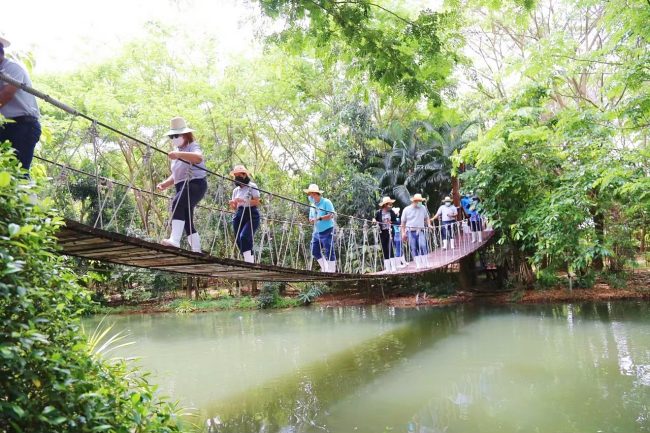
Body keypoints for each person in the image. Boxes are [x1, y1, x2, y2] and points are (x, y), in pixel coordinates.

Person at [157, 117, 208, 252]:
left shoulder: (192, 146)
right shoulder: (177, 151)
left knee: (177, 203)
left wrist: (179, 154)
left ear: (185, 135)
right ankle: (196, 250)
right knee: (187, 221)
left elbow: (198, 158)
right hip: (182, 186)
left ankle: (175, 240)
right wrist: (165, 184)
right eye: (171, 136)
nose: (174, 139)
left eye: (176, 136)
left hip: (195, 184)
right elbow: (177, 174)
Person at [0, 36, 41, 174]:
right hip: (5, 125)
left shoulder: (11, 68)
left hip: (22, 125)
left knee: (18, 172)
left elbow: (5, 96)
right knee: (5, 172)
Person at [228, 165, 261, 263]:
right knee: (238, 239)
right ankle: (248, 259)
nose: (237, 178)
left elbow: (257, 202)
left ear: (244, 175)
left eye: (239, 175)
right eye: (235, 176)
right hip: (239, 214)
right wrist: (233, 203)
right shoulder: (235, 191)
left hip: (251, 214)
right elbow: (234, 207)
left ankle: (249, 262)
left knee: (244, 236)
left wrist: (243, 200)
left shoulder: (252, 186)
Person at [304, 184, 336, 273]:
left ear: (315, 194)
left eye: (310, 194)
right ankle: (325, 268)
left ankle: (332, 271)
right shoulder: (312, 205)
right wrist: (311, 220)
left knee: (329, 250)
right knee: (314, 250)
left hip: (327, 230)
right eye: (309, 195)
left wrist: (319, 218)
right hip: (317, 231)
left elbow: (331, 215)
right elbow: (311, 218)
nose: (309, 197)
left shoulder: (326, 202)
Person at [400, 193, 432, 269]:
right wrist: (403, 233)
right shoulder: (406, 210)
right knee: (414, 248)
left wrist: (429, 224)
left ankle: (426, 263)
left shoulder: (423, 208)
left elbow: (427, 217)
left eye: (421, 201)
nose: (420, 202)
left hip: (420, 230)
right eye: (419, 201)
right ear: (414, 201)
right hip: (410, 231)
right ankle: (418, 264)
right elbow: (403, 223)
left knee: (423, 245)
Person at [374, 196, 399, 272]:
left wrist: (391, 222)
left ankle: (393, 267)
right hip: (382, 232)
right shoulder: (379, 213)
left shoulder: (391, 212)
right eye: (389, 204)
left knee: (390, 247)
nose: (391, 206)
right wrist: (374, 221)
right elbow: (375, 219)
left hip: (390, 232)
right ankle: (388, 268)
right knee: (384, 249)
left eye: (391, 204)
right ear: (385, 205)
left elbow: (396, 222)